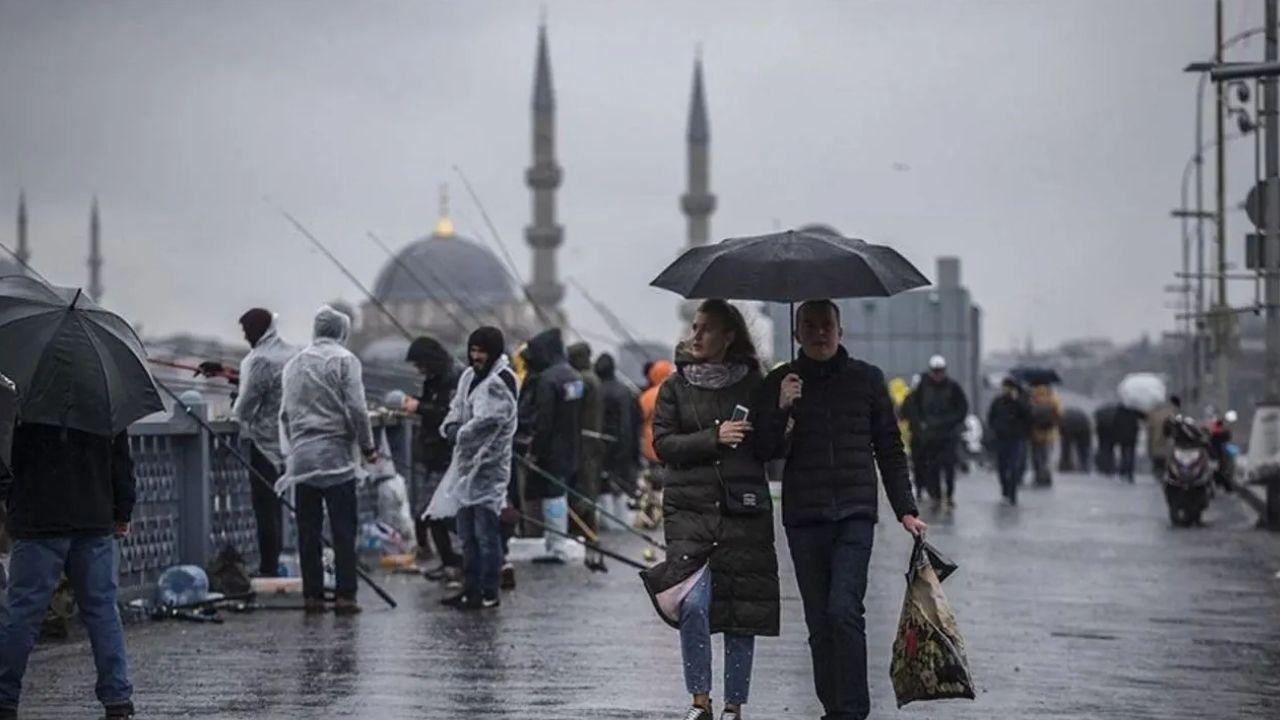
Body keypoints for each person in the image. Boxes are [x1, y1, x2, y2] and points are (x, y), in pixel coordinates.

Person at [755, 300, 925, 720]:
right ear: (797, 335)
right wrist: (781, 407)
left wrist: (905, 508)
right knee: (819, 622)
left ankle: (852, 711)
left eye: (826, 325)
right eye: (809, 327)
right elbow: (764, 450)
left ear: (840, 330)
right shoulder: (782, 381)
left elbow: (889, 446)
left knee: (843, 609)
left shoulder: (867, 380)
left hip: (854, 513)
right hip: (804, 516)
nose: (819, 333)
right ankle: (832, 708)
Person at [640, 300, 779, 720]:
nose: (695, 336)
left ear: (729, 337)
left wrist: (785, 409)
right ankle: (700, 700)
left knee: (740, 611)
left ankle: (734, 705)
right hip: (689, 511)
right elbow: (664, 445)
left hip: (743, 509)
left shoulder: (756, 386)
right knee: (695, 604)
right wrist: (712, 438)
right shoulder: (674, 388)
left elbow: (772, 449)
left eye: (706, 329)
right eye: (695, 328)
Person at [0, 423, 137, 720]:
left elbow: (3, 456)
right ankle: (117, 700)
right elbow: (121, 460)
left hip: (36, 519)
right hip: (93, 517)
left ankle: (5, 699)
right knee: (102, 611)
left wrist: (11, 499)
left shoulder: (25, 389)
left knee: (22, 613)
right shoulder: (104, 391)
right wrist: (123, 510)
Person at [278, 305, 376, 615]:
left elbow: (285, 413)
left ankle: (313, 597)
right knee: (343, 529)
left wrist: (296, 447)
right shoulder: (346, 361)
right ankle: (346, 595)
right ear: (342, 331)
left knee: (308, 531)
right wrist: (368, 447)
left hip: (303, 460)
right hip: (337, 459)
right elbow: (358, 410)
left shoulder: (294, 364)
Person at [437, 328, 519, 611]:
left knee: (486, 534)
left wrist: (458, 433)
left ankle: (488, 590)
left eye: (481, 351)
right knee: (467, 535)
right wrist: (450, 425)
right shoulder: (469, 377)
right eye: (473, 350)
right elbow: (457, 408)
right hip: (464, 469)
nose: (476, 357)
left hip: (488, 470)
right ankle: (470, 589)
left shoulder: (501, 381)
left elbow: (488, 421)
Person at [230, 308, 295, 578]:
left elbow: (245, 408)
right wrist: (228, 373)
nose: (245, 337)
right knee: (282, 508)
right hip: (291, 444)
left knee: (265, 509)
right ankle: (278, 561)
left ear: (258, 330)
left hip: (264, 446)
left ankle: (268, 568)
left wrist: (235, 405)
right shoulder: (290, 354)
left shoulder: (259, 361)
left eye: (247, 331)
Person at [516, 328, 582, 564]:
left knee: (552, 495)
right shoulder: (573, 376)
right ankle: (558, 543)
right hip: (570, 445)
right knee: (560, 494)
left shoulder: (547, 380)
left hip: (551, 448)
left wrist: (535, 451)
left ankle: (556, 547)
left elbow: (544, 422)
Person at [402, 336, 464, 587]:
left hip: (447, 454)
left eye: (420, 365)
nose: (420, 370)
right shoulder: (435, 378)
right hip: (433, 452)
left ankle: (468, 556)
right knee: (433, 512)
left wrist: (419, 407)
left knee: (434, 511)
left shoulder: (454, 378)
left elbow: (447, 413)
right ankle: (450, 563)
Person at [902, 355, 969, 509]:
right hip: (930, 436)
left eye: (940, 371)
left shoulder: (953, 387)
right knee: (932, 467)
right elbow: (913, 408)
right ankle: (936, 495)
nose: (937, 374)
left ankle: (950, 494)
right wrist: (921, 424)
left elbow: (962, 408)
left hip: (948, 435)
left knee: (949, 467)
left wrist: (951, 422)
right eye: (935, 371)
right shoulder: (923, 388)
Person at [595, 352, 642, 532]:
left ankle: (608, 522)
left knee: (604, 486)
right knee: (622, 486)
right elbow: (633, 421)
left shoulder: (598, 390)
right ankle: (621, 523)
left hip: (603, 445)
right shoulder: (626, 391)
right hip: (625, 444)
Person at [567, 342, 605, 551]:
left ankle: (585, 530)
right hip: (593, 439)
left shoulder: (583, 380)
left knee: (584, 484)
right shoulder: (593, 378)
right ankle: (589, 529)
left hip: (584, 440)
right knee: (590, 483)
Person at [987, 378, 1032, 505]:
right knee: (1002, 467)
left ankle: (1012, 494)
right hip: (1001, 438)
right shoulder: (997, 402)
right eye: (1004, 387)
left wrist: (1017, 401)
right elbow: (991, 417)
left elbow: (1028, 417)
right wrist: (995, 429)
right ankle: (1005, 490)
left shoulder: (1020, 402)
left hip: (1015, 439)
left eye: (1009, 387)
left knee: (1013, 467)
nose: (1006, 390)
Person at [640, 359, 676, 466]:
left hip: (651, 445)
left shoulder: (647, 396)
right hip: (672, 444)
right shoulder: (676, 392)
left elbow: (640, 417)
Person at [1027, 384, 1062, 486]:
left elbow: (1028, 413)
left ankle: (1038, 476)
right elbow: (1060, 413)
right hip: (1049, 433)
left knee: (1036, 456)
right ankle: (1046, 477)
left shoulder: (1033, 396)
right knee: (1046, 456)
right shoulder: (1052, 398)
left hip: (1035, 432)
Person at [1147, 395, 1181, 479]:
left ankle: (1158, 474)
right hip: (1166, 442)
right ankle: (1163, 475)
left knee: (1157, 461)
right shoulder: (1170, 414)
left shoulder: (1153, 415)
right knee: (1164, 461)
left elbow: (1150, 430)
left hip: (1156, 442)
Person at [1113, 405, 1145, 483]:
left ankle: (1123, 471)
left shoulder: (1118, 412)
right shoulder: (1133, 411)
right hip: (1132, 437)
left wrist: (1116, 437)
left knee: (1123, 455)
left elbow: (1115, 425)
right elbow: (1144, 416)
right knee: (1131, 455)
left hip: (1122, 437)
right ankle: (1130, 473)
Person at [1057, 408, 1093, 474]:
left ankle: (1066, 466)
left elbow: (1062, 433)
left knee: (1066, 447)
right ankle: (1085, 466)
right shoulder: (1065, 414)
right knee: (1083, 448)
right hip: (1084, 424)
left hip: (1070, 424)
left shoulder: (1061, 416)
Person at [1094, 403, 1119, 476]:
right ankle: (1110, 466)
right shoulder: (1113, 422)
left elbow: (1098, 432)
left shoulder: (1100, 422)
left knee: (1102, 451)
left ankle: (1102, 466)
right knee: (1110, 451)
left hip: (1102, 440)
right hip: (1111, 438)